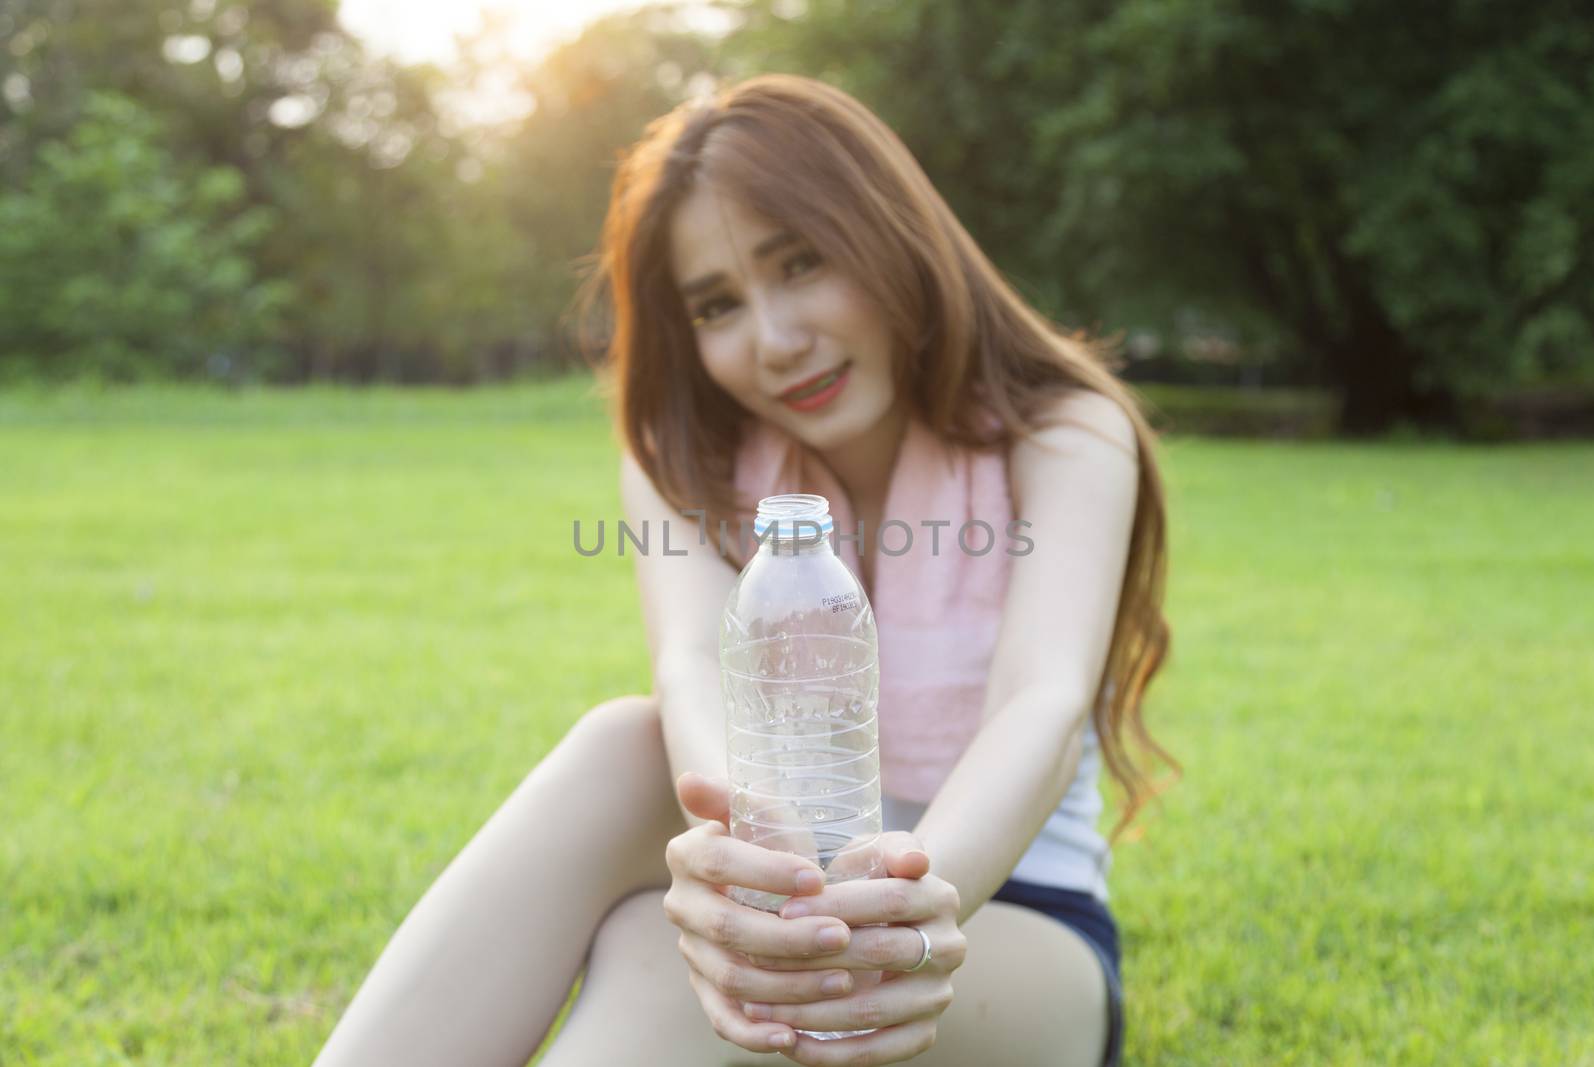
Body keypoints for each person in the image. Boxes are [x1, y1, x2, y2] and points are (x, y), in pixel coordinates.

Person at [313, 73, 1176, 1067]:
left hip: (1002, 925)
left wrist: (889, 916)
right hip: (784, 883)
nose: (774, 339)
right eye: (718, 304)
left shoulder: (1064, 432)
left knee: (680, 948)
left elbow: (1043, 697)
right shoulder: (683, 455)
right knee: (628, 757)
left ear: (888, 233)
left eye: (802, 262)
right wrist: (756, 896)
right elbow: (687, 663)